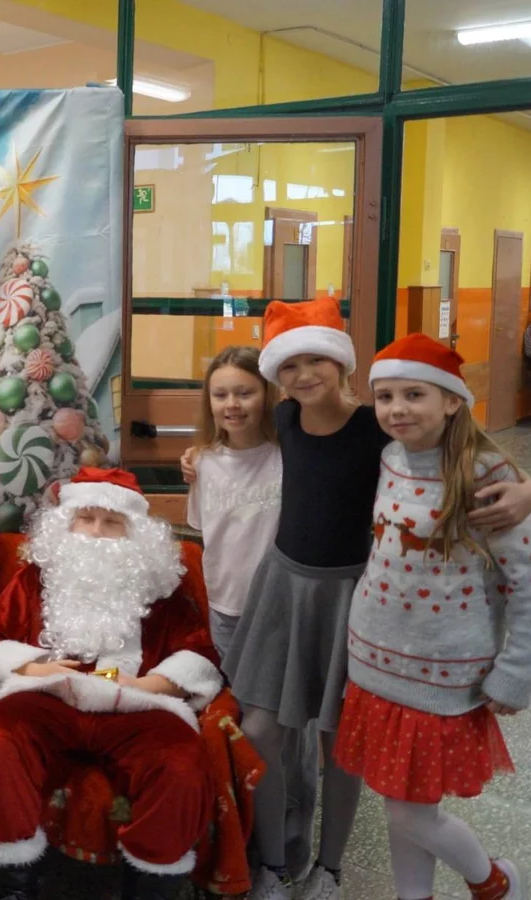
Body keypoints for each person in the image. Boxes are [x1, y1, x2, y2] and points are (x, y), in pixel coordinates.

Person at [211, 299, 531, 900]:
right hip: (292, 592)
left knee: (342, 745)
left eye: (316, 360)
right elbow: (238, 443)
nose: (304, 375)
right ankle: (274, 861)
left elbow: (470, 463)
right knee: (260, 727)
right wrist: (195, 456)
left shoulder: (378, 430)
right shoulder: (287, 419)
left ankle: (331, 866)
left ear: (342, 364)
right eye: (290, 366)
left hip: (355, 600)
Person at [333, 334, 531, 900]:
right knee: (404, 805)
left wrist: (517, 671)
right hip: (374, 663)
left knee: (408, 812)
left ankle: (495, 883)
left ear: (452, 400)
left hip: (443, 676)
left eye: (414, 394)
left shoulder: (488, 476)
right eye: (385, 397)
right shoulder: (389, 458)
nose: (397, 409)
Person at [0, 466, 224, 900]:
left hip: (134, 703)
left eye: (112, 522)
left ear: (135, 533)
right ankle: (12, 885)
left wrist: (151, 686)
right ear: (66, 523)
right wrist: (33, 669)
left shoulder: (160, 586)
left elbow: (200, 654)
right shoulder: (36, 578)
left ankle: (152, 889)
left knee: (181, 761)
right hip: (48, 697)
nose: (96, 532)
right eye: (85, 518)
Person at [185, 346, 318, 878]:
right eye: (221, 394)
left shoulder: (290, 455)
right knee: (245, 726)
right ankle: (254, 829)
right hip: (227, 612)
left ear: (267, 395)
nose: (232, 404)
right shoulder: (204, 462)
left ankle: (293, 834)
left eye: (244, 392)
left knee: (286, 731)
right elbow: (208, 534)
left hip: (281, 613)